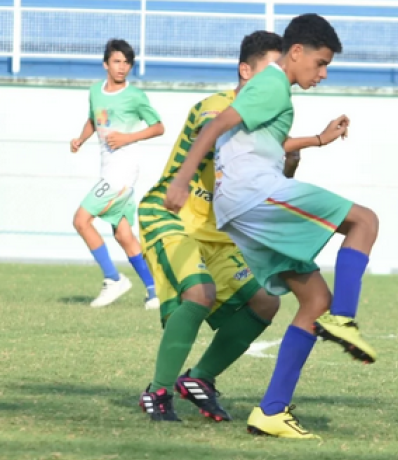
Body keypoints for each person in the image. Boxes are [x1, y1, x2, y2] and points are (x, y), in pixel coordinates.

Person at [164, 14, 379, 439]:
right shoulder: (273, 82)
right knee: (365, 221)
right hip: (253, 193)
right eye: (320, 63)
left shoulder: (273, 92)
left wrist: (316, 140)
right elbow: (217, 124)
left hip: (240, 203)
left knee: (314, 298)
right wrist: (182, 179)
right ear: (295, 52)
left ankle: (271, 411)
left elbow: (261, 140)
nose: (323, 73)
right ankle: (346, 321)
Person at [137, 31, 286, 422]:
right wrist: (313, 139)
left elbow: (275, 173)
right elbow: (217, 130)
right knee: (199, 293)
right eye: (270, 71)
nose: (277, 81)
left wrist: (291, 150)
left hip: (218, 234)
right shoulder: (217, 106)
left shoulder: (270, 118)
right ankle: (157, 392)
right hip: (172, 216)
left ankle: (200, 379)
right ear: (244, 70)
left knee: (267, 301)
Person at [70, 38, 165, 309]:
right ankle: (153, 291)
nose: (122, 67)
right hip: (109, 169)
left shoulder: (135, 96)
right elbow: (94, 118)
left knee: (81, 220)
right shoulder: (95, 92)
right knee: (123, 234)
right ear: (105, 64)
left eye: (127, 63)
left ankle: (113, 279)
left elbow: (158, 127)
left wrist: (127, 137)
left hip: (121, 173)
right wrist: (80, 139)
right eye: (117, 61)